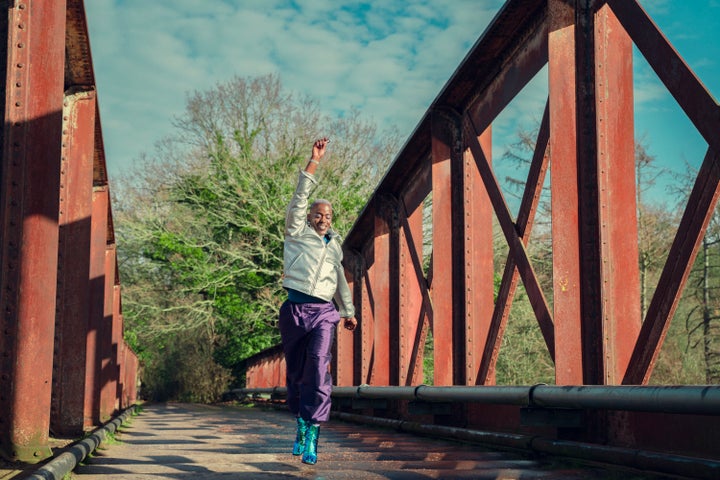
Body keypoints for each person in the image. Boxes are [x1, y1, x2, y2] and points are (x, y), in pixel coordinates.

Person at [278, 137, 358, 465]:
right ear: (309, 217)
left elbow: (339, 280)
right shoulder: (296, 232)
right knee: (297, 372)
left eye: (328, 215)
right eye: (318, 214)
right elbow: (299, 198)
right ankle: (300, 419)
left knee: (318, 366)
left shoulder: (335, 246)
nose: (324, 219)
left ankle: (314, 430)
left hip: (324, 312)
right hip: (294, 310)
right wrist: (314, 162)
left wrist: (348, 311)